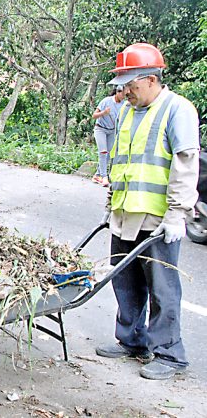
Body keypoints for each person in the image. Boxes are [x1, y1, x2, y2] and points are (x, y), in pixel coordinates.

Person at [96, 43, 199, 380]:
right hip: (125, 214)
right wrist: (112, 203)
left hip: (157, 218)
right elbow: (120, 161)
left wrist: (177, 214)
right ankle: (132, 339)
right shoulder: (127, 111)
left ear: (152, 79)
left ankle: (170, 353)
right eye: (123, 85)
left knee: (162, 287)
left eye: (132, 85)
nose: (125, 91)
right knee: (125, 281)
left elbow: (185, 165)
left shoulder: (177, 110)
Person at [91, 85, 126, 186]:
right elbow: (94, 115)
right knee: (103, 152)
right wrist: (104, 113)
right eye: (122, 94)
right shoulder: (106, 101)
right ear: (117, 92)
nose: (123, 97)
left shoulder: (124, 104)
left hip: (112, 131)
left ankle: (97, 175)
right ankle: (104, 177)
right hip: (100, 129)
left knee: (109, 154)